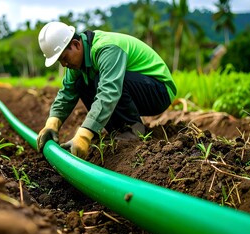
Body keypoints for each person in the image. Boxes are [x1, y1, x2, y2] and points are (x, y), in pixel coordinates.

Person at [36, 21, 177, 159]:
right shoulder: (77, 63)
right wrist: (52, 124)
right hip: (139, 89)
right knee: (81, 83)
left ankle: (133, 131)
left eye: (64, 58)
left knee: (103, 81)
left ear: (76, 44)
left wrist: (84, 135)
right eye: (60, 62)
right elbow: (66, 93)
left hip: (159, 91)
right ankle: (118, 132)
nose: (64, 64)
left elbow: (110, 90)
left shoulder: (106, 48)